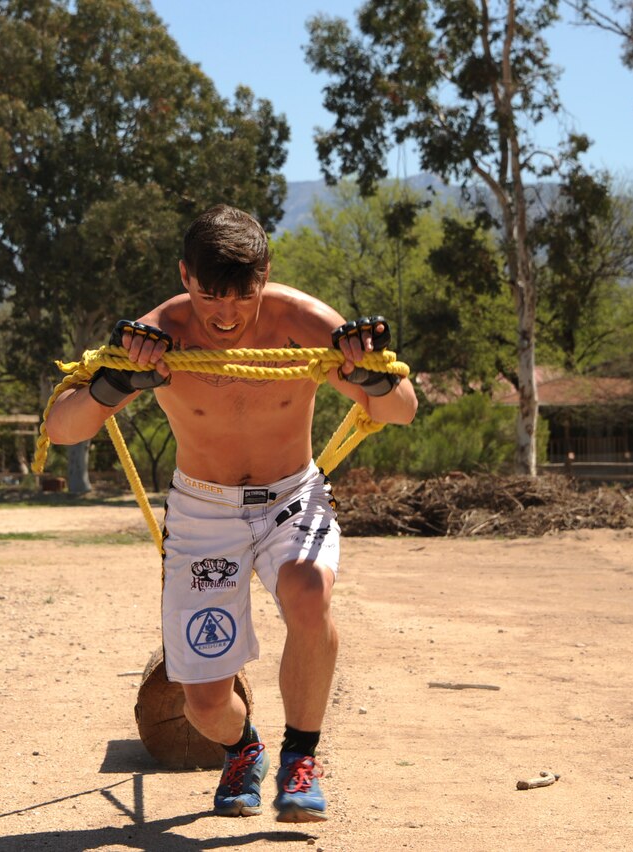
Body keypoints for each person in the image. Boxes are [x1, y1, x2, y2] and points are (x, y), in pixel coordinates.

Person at [44, 204, 417, 822]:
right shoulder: (155, 333)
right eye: (210, 294)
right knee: (205, 703)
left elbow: (400, 408)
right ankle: (244, 750)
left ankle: (301, 758)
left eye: (242, 295)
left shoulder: (303, 321)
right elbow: (62, 428)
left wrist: (367, 371)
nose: (226, 314)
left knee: (308, 592)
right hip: (202, 512)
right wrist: (116, 382)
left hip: (291, 497)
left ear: (264, 275)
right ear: (185, 275)